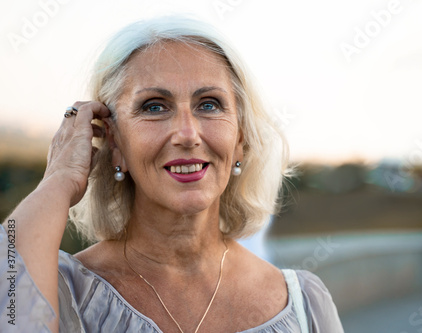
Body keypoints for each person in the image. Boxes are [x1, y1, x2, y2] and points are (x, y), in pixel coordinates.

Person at [0, 16, 344, 333]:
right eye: (154, 107)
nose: (187, 133)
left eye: (209, 104)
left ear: (240, 140)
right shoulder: (61, 287)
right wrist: (58, 180)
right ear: (116, 144)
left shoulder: (304, 304)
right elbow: (10, 315)